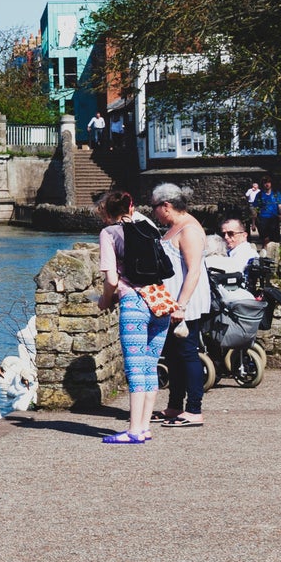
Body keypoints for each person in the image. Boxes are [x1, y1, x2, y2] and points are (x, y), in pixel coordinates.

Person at [96, 189, 172, 444]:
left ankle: (133, 430)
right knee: (150, 365)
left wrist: (105, 300)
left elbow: (111, 279)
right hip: (160, 301)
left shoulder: (108, 233)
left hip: (134, 303)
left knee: (135, 368)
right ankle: (145, 427)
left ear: (107, 212)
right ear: (131, 207)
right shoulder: (149, 227)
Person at [152, 183, 212, 428]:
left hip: (185, 302)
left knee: (187, 354)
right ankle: (175, 406)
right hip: (170, 302)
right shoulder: (174, 227)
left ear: (166, 206)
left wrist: (182, 305)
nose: (153, 212)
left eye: (154, 207)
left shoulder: (189, 230)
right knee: (174, 356)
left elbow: (194, 270)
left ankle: (194, 410)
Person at [256, 178, 281, 243]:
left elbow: (280, 205)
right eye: (265, 182)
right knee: (266, 240)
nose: (267, 184)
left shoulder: (276, 193)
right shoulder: (259, 195)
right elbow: (256, 207)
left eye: (268, 182)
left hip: (274, 218)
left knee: (276, 239)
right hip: (263, 219)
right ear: (262, 184)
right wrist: (255, 221)